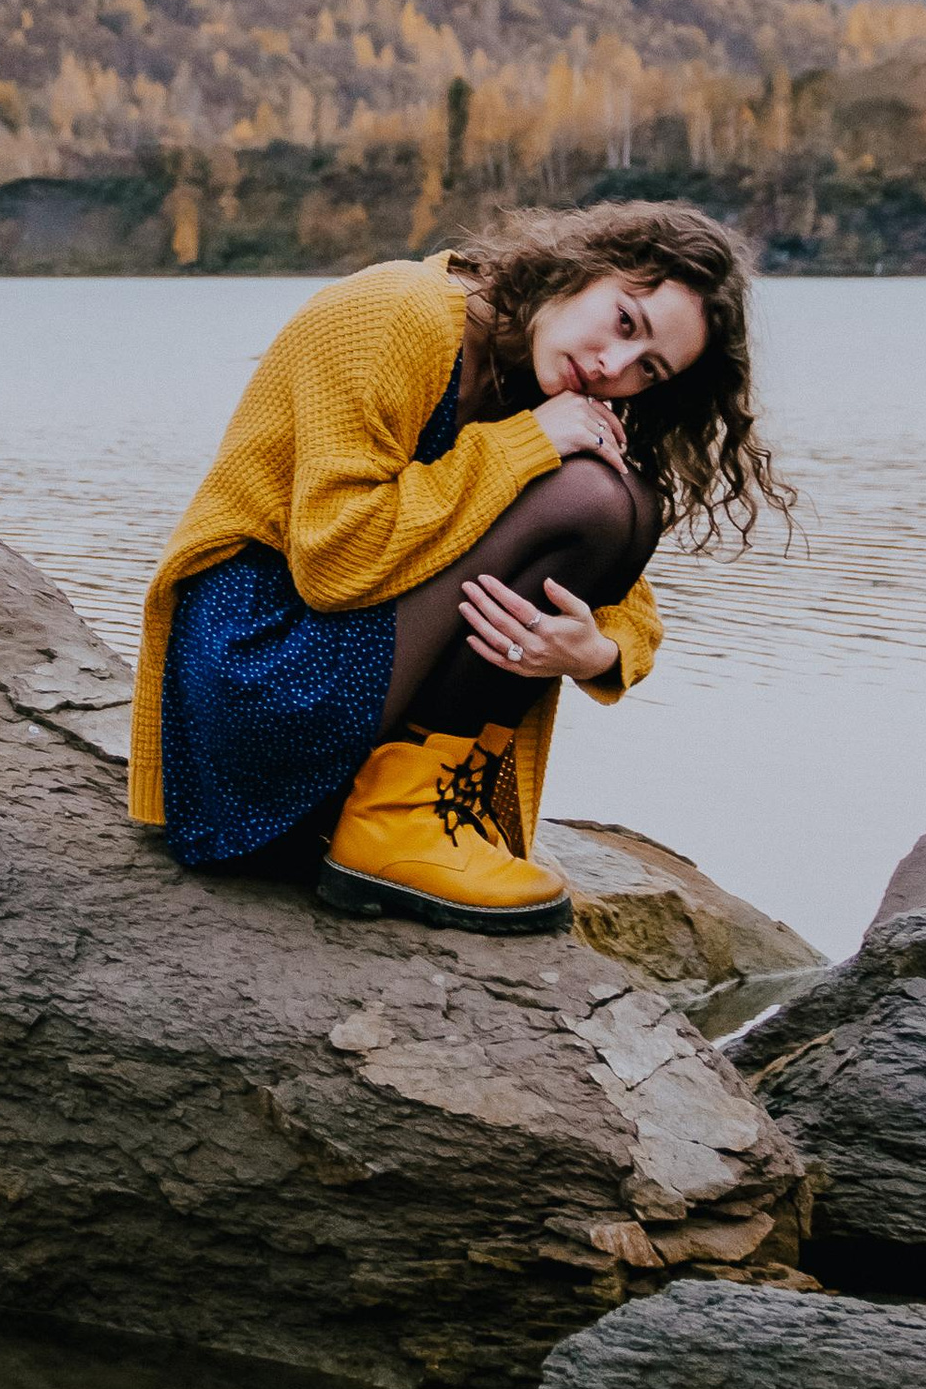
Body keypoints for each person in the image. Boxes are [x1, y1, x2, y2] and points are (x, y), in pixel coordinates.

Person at [126, 203, 788, 934]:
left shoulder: (542, 376)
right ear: (586, 266)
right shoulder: (391, 314)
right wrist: (524, 443)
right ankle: (394, 821)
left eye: (648, 369)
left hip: (346, 679)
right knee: (593, 496)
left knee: (623, 498)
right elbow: (333, 563)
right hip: (259, 683)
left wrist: (596, 653)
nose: (613, 366)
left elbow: (625, 593)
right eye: (626, 322)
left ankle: (418, 805)